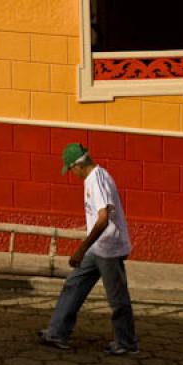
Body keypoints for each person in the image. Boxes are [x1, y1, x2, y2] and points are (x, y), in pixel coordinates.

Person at [38, 143, 138, 354]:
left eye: (71, 170)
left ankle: (127, 343)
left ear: (78, 165)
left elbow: (103, 219)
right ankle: (56, 332)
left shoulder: (97, 180)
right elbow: (99, 219)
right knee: (73, 284)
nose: (72, 174)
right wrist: (86, 229)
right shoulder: (94, 179)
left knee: (117, 299)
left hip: (109, 248)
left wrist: (81, 249)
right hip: (99, 246)